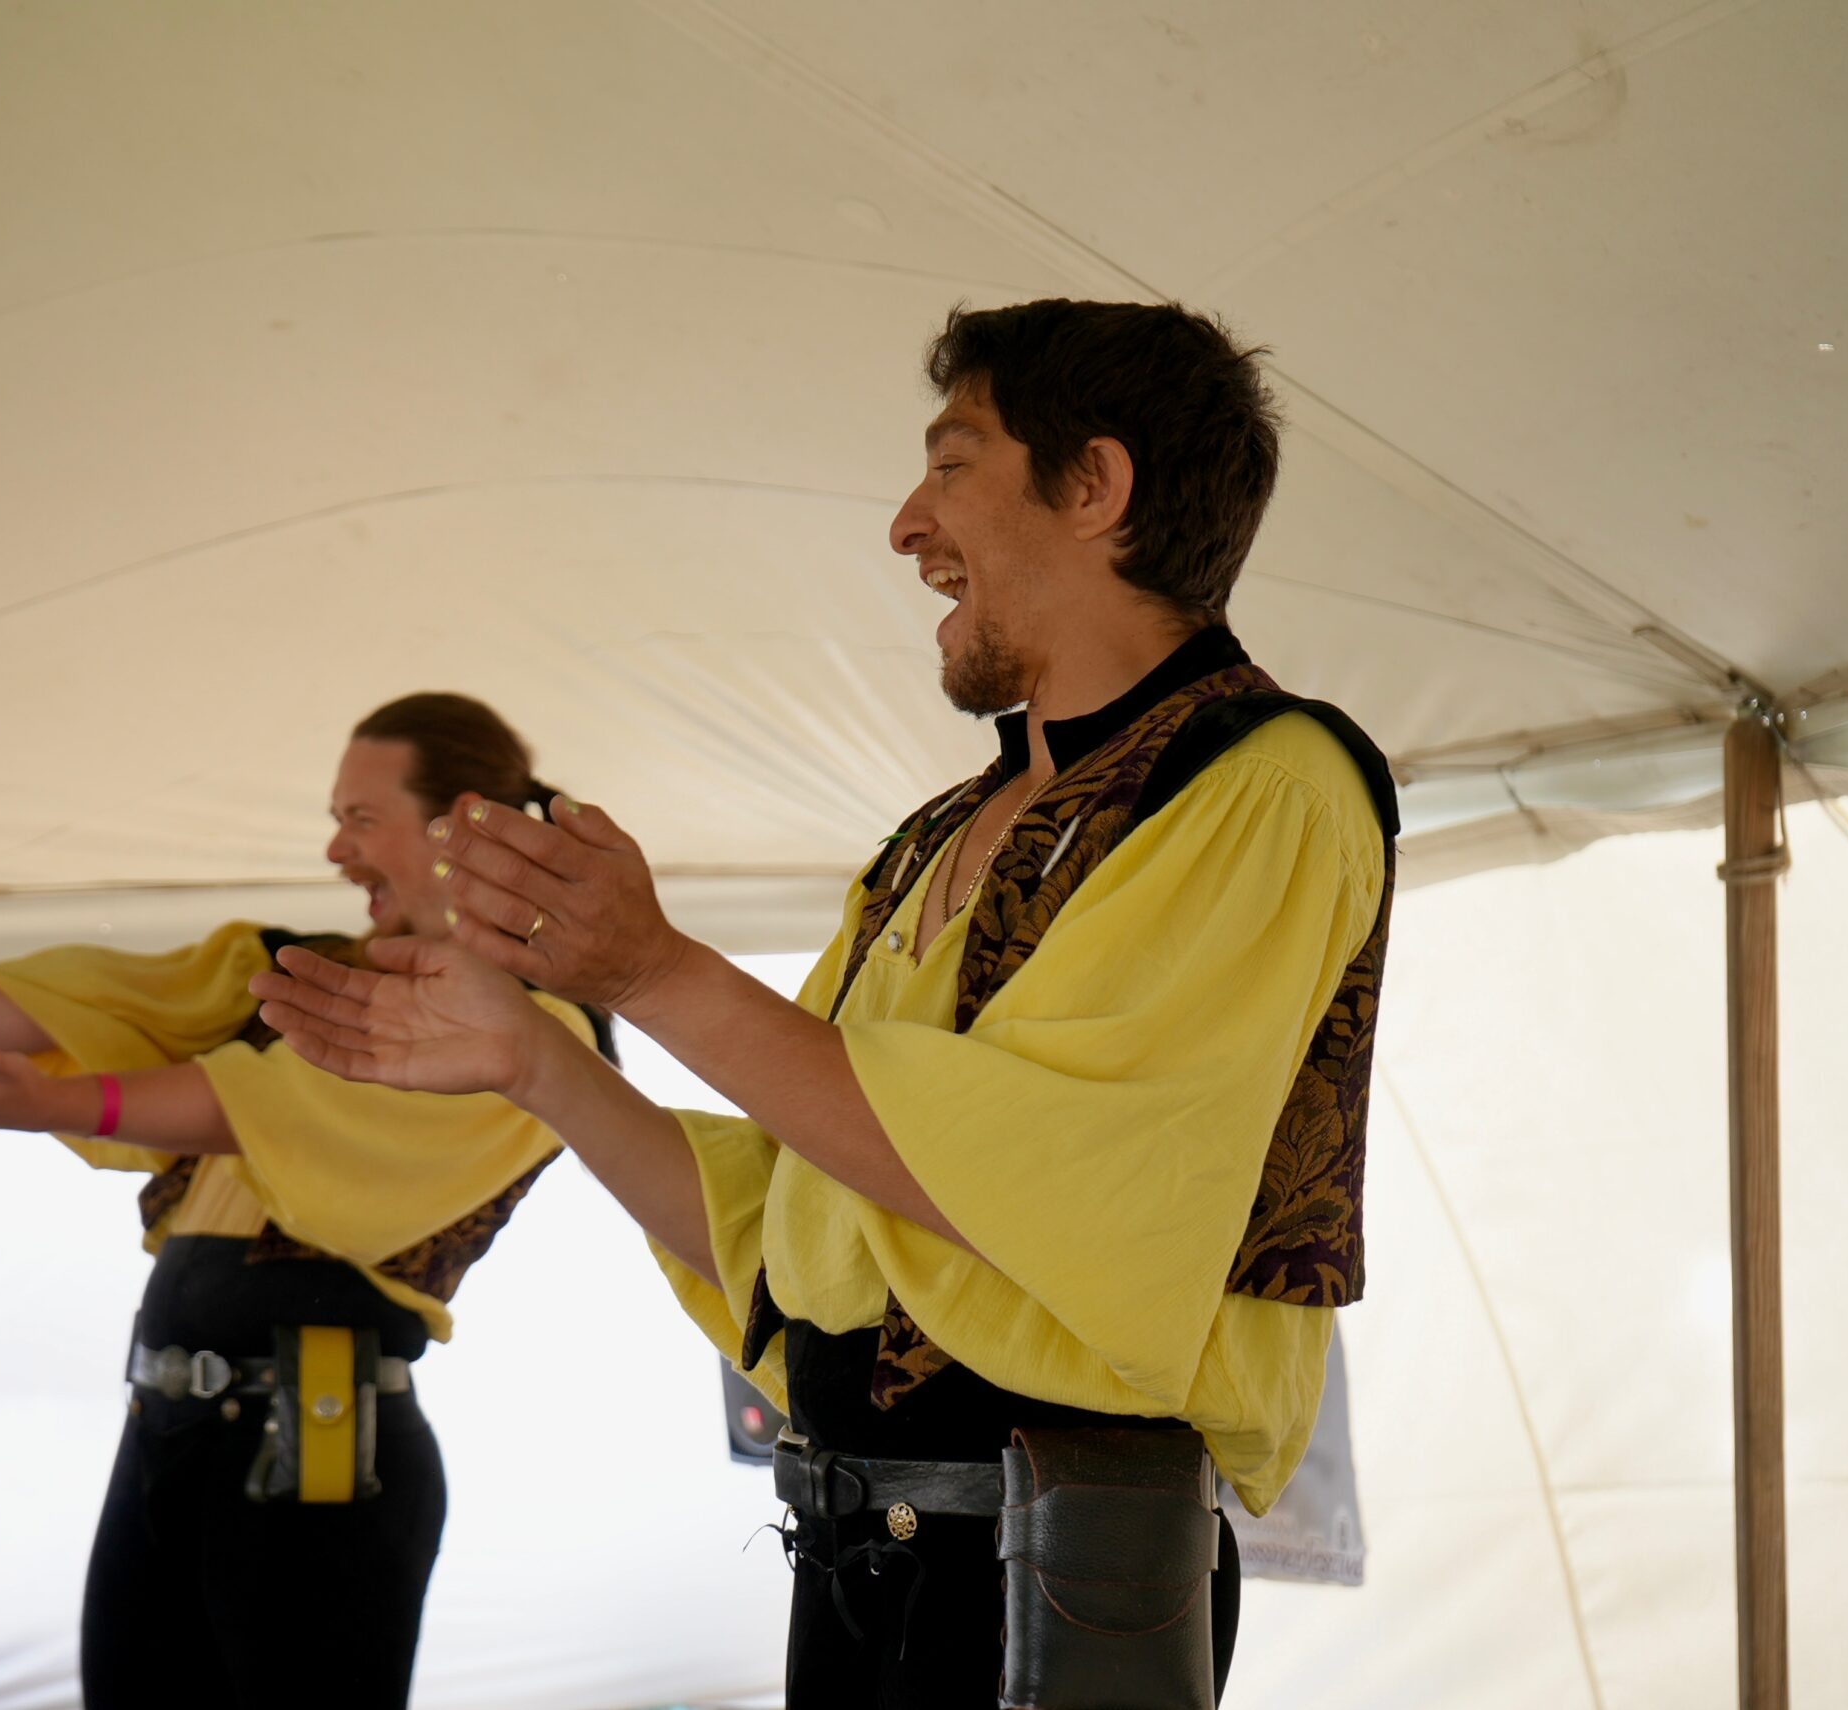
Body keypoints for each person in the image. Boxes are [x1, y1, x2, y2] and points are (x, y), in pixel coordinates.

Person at [254, 301, 1399, 1708]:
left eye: (954, 464)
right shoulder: (936, 837)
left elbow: (1074, 1184)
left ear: (1095, 485)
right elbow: (796, 1238)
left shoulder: (1262, 782)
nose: (908, 524)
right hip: (869, 1558)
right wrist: (538, 1065)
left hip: (1053, 1583)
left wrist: (652, 972)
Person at [0, 693, 607, 1710]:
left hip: (322, 1445)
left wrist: (62, 1104)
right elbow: (97, 992)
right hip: (172, 1426)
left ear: (457, 825)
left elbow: (289, 1109)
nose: (337, 849)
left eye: (361, 819)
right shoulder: (302, 969)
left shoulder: (537, 1032)